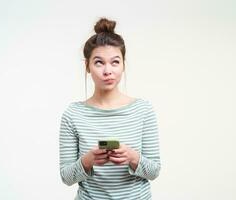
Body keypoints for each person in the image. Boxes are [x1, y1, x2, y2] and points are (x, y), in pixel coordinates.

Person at [59, 17, 161, 200]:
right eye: (99, 62)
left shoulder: (143, 110)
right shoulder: (72, 114)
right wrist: (88, 160)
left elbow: (154, 171)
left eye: (115, 62)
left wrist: (132, 157)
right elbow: (66, 177)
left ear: (123, 64)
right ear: (87, 66)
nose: (108, 71)